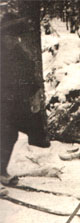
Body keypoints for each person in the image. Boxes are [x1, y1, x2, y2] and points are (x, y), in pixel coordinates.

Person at [1, 13, 50, 185]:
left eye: (16, 37)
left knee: (9, 135)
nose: (13, 40)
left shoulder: (19, 52)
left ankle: (1, 171)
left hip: (11, 102)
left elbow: (29, 75)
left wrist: (34, 96)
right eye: (9, 36)